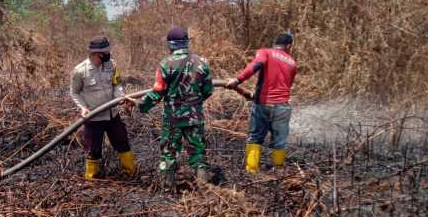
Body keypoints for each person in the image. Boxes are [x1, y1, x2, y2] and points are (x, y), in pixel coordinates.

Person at [137, 26, 213, 190]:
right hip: (195, 118)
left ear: (171, 44)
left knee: (168, 154)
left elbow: (158, 92)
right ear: (186, 43)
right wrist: (195, 103)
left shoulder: (165, 64)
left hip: (173, 119)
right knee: (198, 154)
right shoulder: (202, 63)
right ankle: (206, 190)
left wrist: (142, 105)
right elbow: (208, 90)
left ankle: (167, 189)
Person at [226, 33, 296, 173]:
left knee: (255, 138)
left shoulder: (265, 52)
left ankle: (251, 171)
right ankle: (278, 171)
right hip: (282, 106)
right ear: (289, 46)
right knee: (279, 140)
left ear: (275, 43)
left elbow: (256, 65)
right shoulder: (292, 62)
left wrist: (237, 80)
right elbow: (286, 84)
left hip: (263, 104)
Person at [70, 36, 135, 180]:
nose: (109, 54)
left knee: (123, 143)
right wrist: (82, 108)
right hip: (94, 117)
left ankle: (130, 173)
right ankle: (91, 180)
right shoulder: (80, 71)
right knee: (93, 150)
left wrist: (121, 97)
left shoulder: (111, 65)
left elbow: (116, 84)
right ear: (98, 53)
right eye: (106, 52)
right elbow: (74, 92)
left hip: (112, 115)